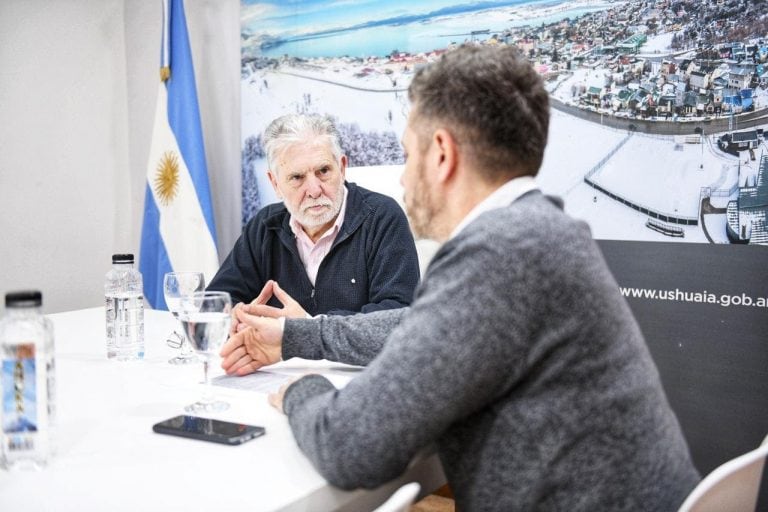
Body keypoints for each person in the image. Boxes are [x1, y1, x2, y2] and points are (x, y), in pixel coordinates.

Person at [220, 45, 700, 510]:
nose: (404, 180)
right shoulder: (536, 230)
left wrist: (298, 389)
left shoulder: (498, 256)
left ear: (443, 154)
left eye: (408, 156)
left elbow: (347, 446)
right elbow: (410, 325)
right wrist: (296, 336)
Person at [207, 114, 420, 317]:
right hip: (276, 357)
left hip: (351, 357)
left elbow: (398, 315)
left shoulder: (382, 218)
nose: (314, 190)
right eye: (297, 177)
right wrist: (236, 317)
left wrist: (306, 330)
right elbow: (217, 302)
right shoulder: (264, 226)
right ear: (275, 184)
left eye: (323, 171)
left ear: (342, 167)